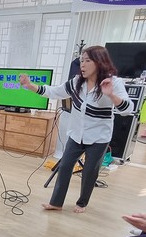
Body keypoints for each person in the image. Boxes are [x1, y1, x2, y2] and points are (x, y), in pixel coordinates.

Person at [19, 45, 133, 213]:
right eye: (81, 61)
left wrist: (111, 95)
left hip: (99, 137)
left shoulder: (113, 83)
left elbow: (128, 109)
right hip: (76, 134)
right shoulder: (76, 82)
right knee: (64, 166)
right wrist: (30, 85)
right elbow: (54, 92)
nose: (83, 65)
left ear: (100, 62)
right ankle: (56, 202)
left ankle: (82, 203)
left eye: (87, 60)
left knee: (89, 172)